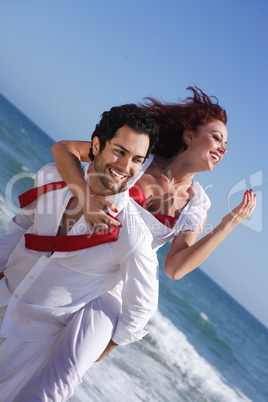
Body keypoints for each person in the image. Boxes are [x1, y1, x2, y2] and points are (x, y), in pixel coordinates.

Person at [1, 87, 256, 401]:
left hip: (112, 292)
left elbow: (175, 268)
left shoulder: (195, 205)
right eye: (217, 138)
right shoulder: (139, 158)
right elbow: (64, 150)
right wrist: (85, 195)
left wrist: (228, 223)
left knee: (59, 380)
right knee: (15, 355)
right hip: (76, 263)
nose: (223, 148)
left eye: (226, 144)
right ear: (189, 136)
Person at [0, 104, 160, 400]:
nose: (126, 167)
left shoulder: (132, 234)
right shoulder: (52, 178)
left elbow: (142, 306)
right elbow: (22, 223)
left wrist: (106, 347)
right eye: (120, 151)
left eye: (137, 159)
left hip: (31, 341)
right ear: (96, 145)